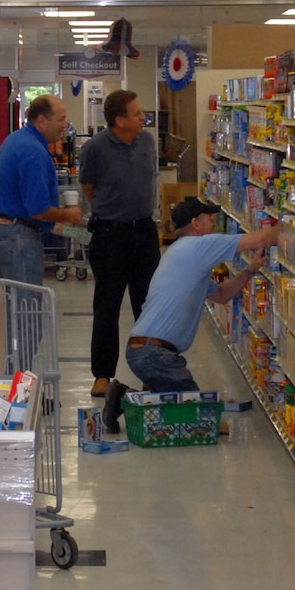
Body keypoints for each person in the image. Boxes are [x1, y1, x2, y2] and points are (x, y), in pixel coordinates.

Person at [103, 197, 278, 428]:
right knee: (204, 423)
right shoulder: (198, 247)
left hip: (145, 351)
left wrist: (248, 271)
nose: (214, 223)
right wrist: (294, 225)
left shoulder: (182, 255)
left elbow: (222, 295)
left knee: (184, 411)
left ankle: (136, 397)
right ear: (196, 224)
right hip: (155, 355)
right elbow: (262, 238)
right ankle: (124, 398)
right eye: (210, 218)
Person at [79, 88, 161, 397]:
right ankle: (102, 374)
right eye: (137, 113)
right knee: (107, 306)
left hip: (144, 234)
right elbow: (88, 186)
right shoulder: (95, 149)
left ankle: (151, 371)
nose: (143, 117)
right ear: (119, 120)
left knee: (148, 307)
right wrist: (110, 210)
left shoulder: (147, 142)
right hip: (109, 236)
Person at [0, 94, 80, 285]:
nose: (65, 125)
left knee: (17, 305)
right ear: (42, 121)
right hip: (18, 237)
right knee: (26, 306)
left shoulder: (17, 139)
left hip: (6, 229)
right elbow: (38, 210)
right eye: (60, 119)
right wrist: (68, 215)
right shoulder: (33, 151)